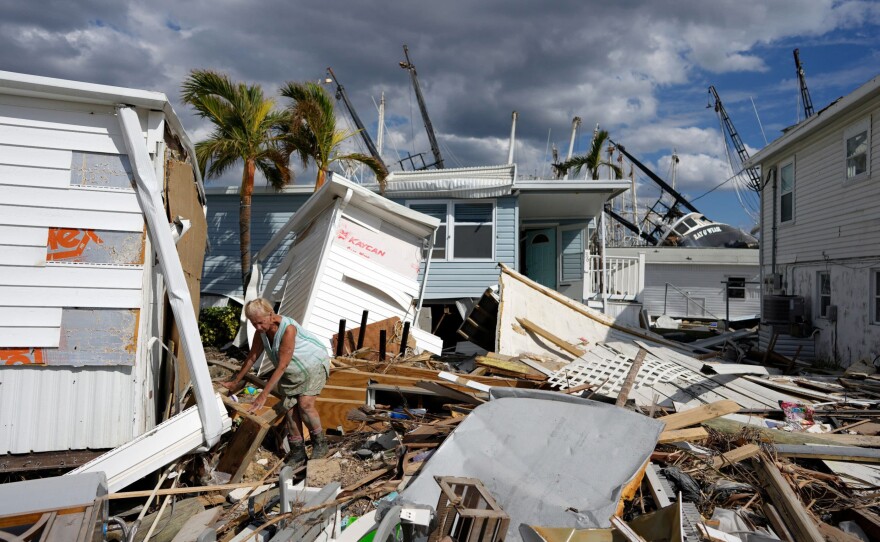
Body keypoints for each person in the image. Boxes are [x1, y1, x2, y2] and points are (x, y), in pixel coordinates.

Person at [221, 298, 330, 467]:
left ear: (271, 315)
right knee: (289, 408)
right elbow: (252, 358)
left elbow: (282, 365)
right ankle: (298, 453)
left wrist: (263, 395)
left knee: (305, 404)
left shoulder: (288, 329)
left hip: (312, 364)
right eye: (253, 323)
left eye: (260, 322)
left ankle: (320, 445)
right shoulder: (261, 331)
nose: (258, 327)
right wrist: (235, 381)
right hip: (292, 370)